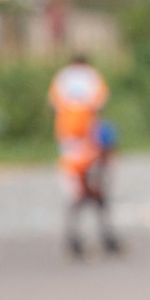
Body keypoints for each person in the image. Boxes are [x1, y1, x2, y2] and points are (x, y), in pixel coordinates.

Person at [48, 54, 122, 260]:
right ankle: (106, 237)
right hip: (89, 143)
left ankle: (73, 239)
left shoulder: (61, 77)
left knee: (76, 195)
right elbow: (100, 103)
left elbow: (53, 104)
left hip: (69, 144)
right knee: (98, 192)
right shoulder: (92, 76)